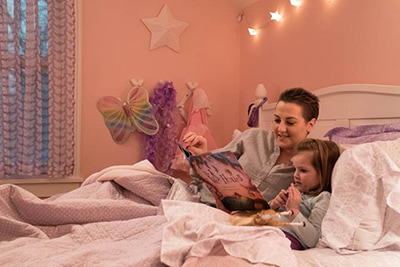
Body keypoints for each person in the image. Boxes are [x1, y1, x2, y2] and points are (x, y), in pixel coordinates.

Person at [183, 87, 320, 205]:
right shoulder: (253, 137)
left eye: (290, 123)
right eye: (277, 120)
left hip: (242, 222)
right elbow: (210, 172)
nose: (281, 129)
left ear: (311, 124)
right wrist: (202, 155)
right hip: (198, 198)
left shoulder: (310, 166)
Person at [269, 138, 340, 250]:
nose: (296, 175)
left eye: (303, 171)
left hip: (285, 238)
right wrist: (274, 205)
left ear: (323, 173)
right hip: (268, 228)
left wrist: (294, 210)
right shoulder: (298, 192)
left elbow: (312, 240)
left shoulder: (322, 198)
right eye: (295, 169)